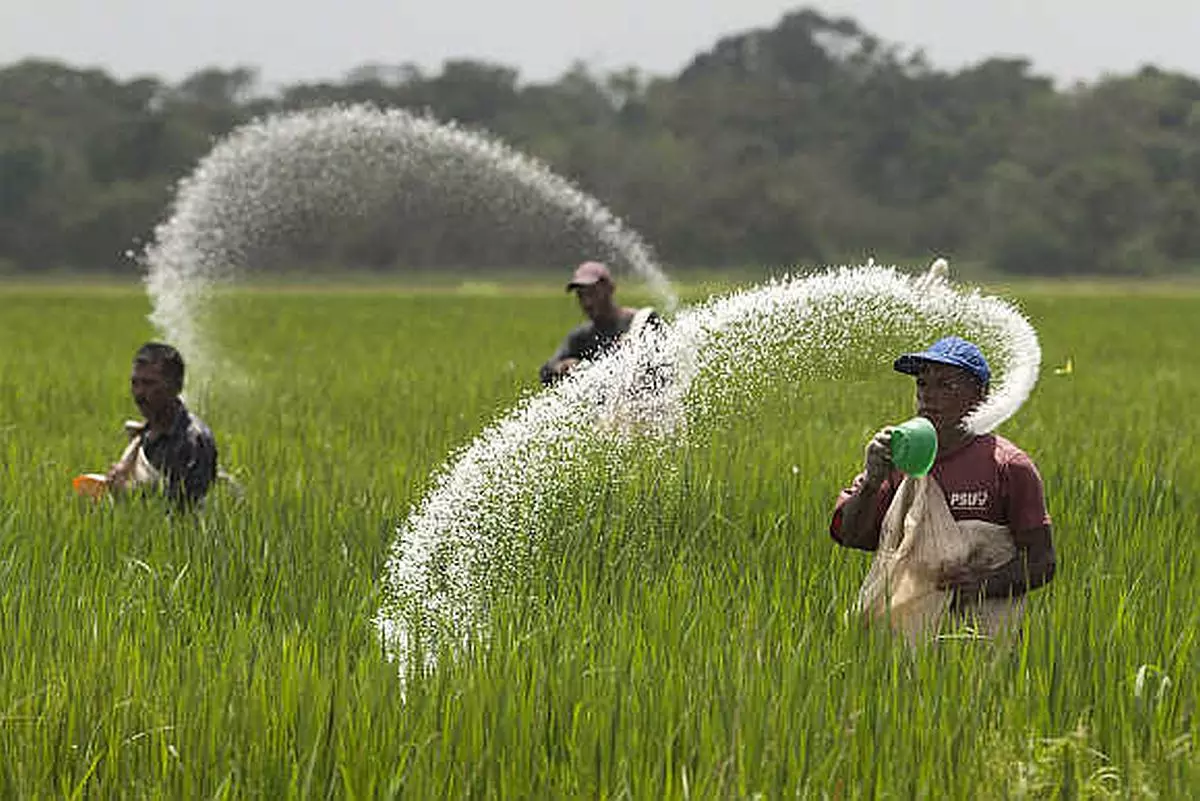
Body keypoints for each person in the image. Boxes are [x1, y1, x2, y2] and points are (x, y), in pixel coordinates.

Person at [830, 336, 1056, 619]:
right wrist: (872, 481)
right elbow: (851, 536)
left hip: (985, 637)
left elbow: (1042, 562)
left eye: (946, 386)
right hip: (906, 639)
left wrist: (981, 583)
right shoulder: (899, 458)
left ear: (980, 396)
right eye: (922, 384)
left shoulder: (1009, 466)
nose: (928, 395)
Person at [106, 342, 219, 508]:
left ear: (176, 387)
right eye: (135, 383)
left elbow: (186, 511)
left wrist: (129, 494)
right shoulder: (143, 434)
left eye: (149, 384)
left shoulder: (193, 441)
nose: (139, 393)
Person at [539, 261, 661, 386]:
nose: (587, 303)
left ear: (610, 289)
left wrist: (635, 353)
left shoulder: (641, 322)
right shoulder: (581, 337)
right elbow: (545, 372)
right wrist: (562, 367)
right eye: (581, 296)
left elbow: (663, 371)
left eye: (593, 293)